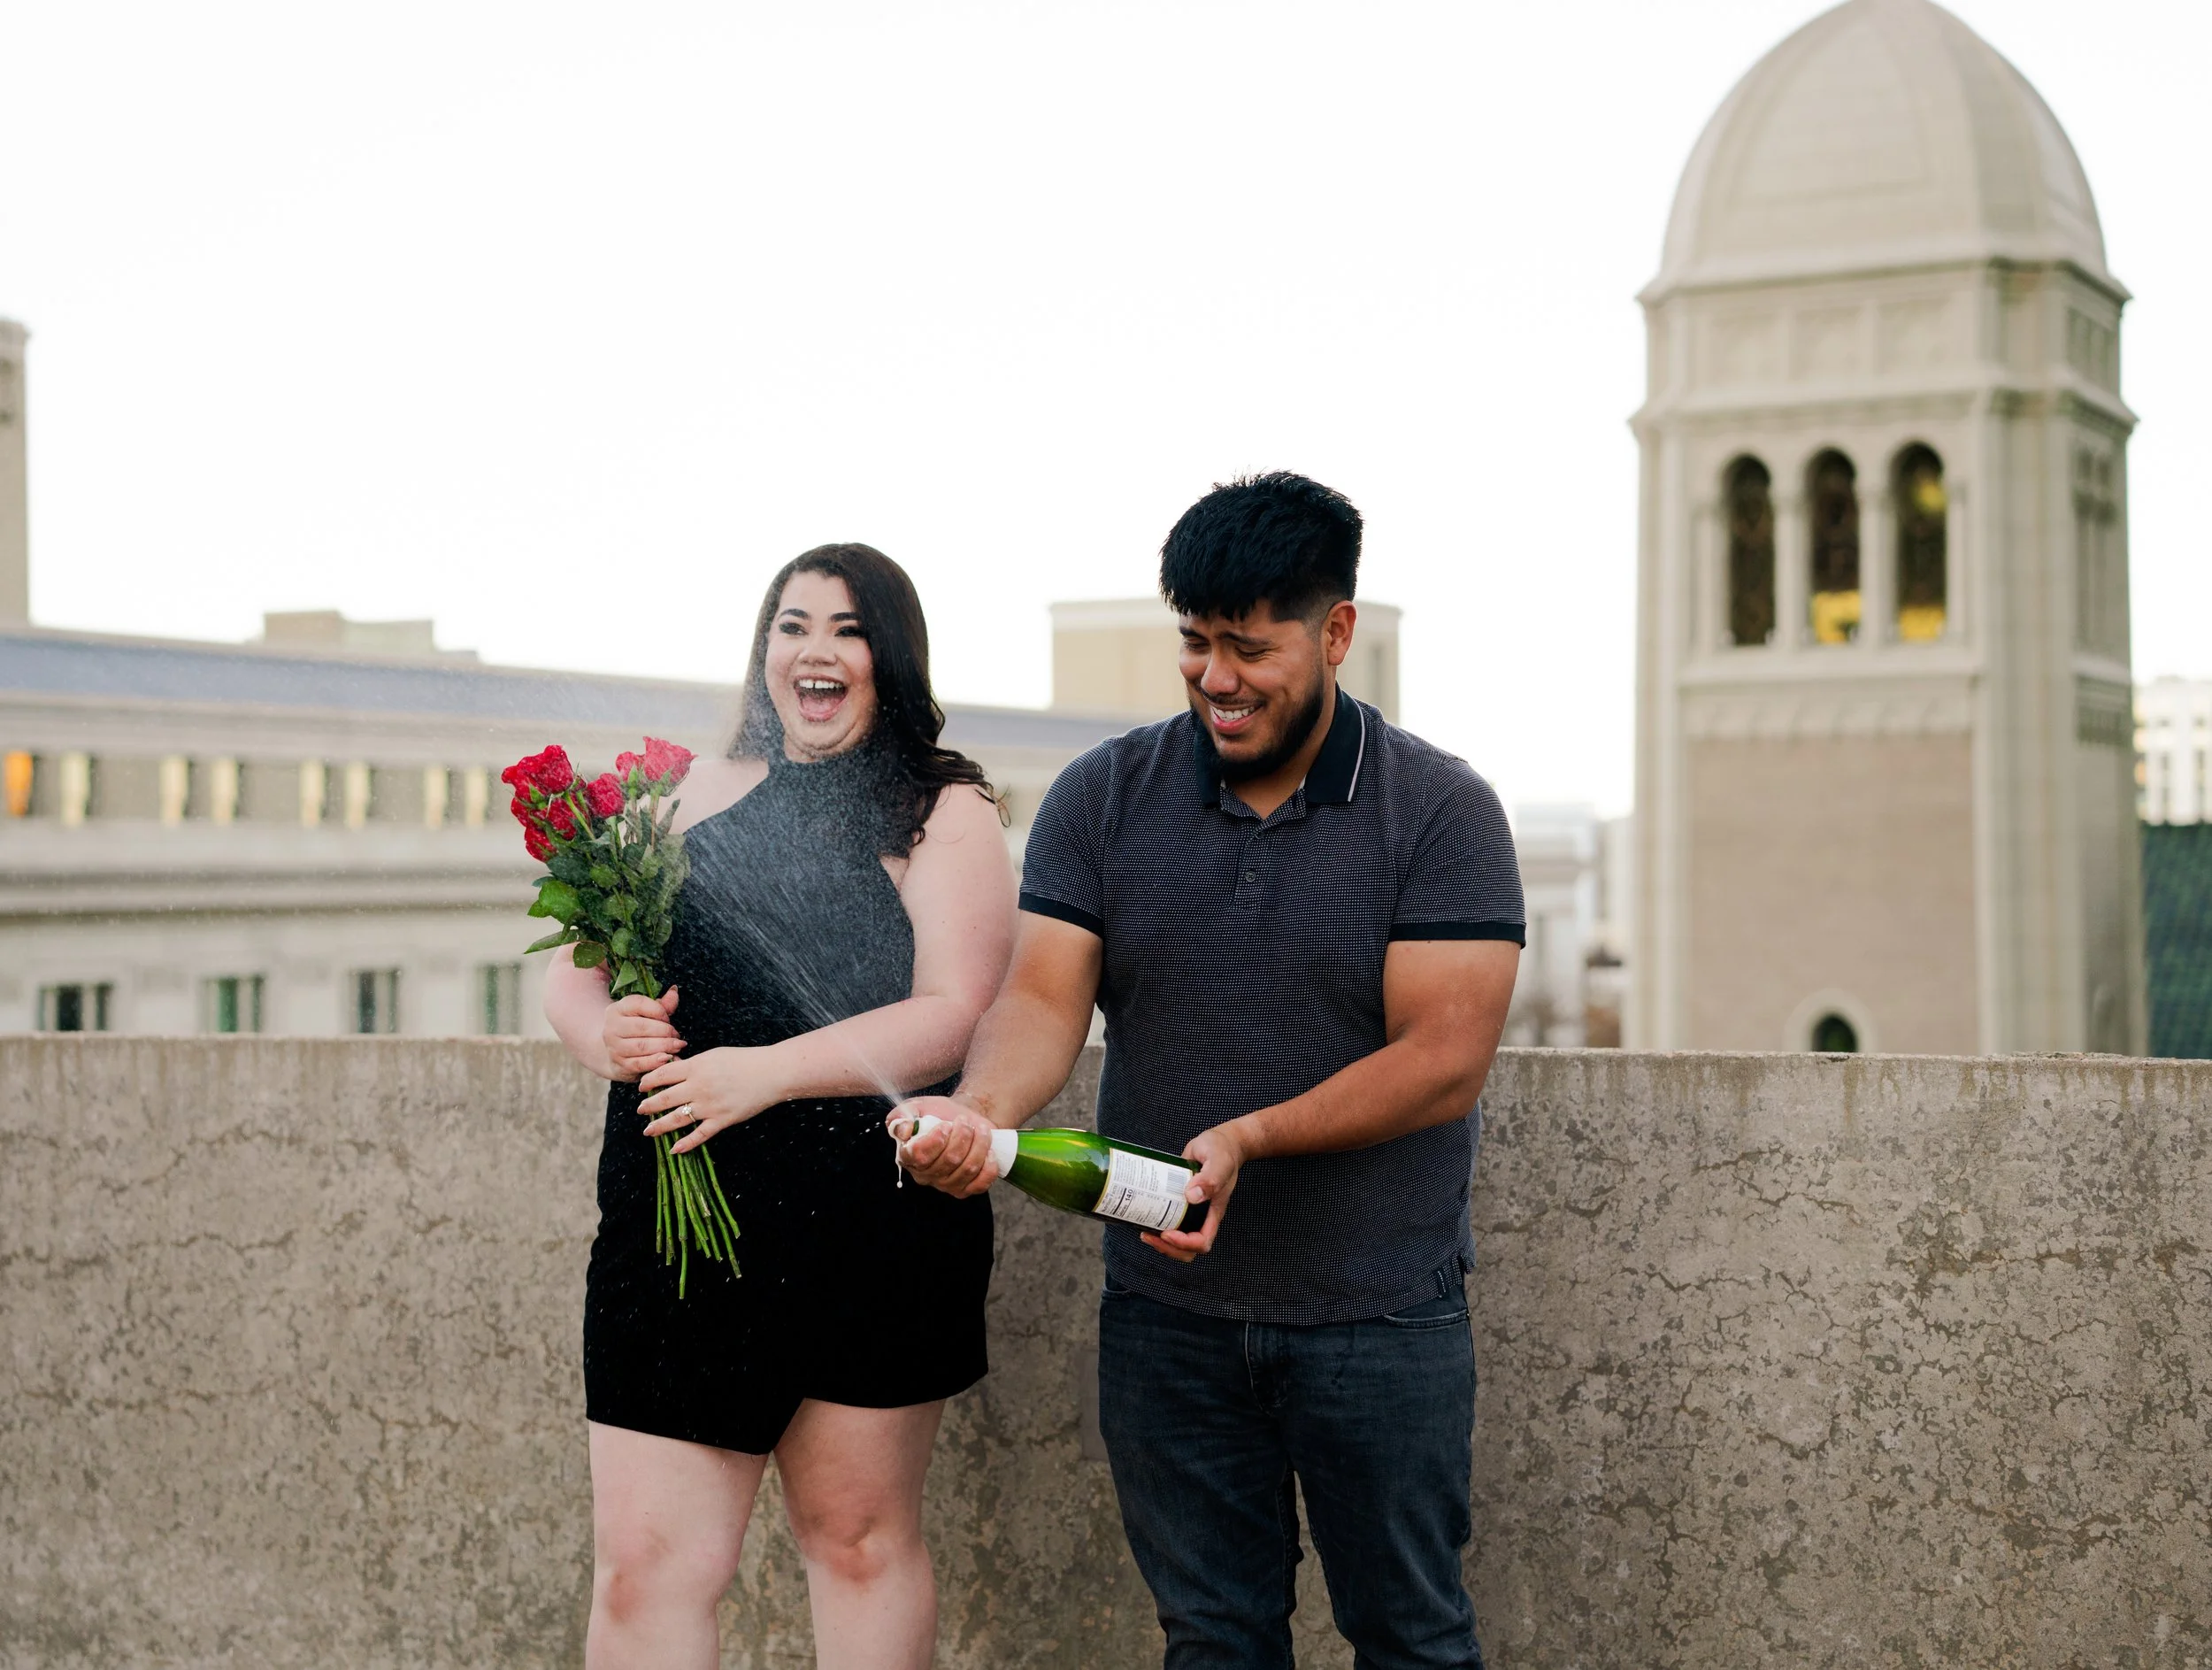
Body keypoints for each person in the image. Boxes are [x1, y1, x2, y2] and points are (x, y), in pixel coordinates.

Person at [895, 473, 1522, 1669]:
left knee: (1414, 1638)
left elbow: (1445, 1056)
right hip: (1167, 1323)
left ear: (1336, 632)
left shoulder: (1439, 809)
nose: (1216, 676)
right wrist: (980, 1113)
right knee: (1214, 1640)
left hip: (1379, 1316)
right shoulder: (1103, 795)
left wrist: (1251, 1136)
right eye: (1194, 641)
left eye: (1250, 645)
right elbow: (1039, 997)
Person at [544, 543, 1016, 1670]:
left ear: (887, 658)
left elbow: (949, 1013)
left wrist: (757, 1072)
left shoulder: (944, 812)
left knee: (855, 1542)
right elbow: (570, 978)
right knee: (645, 1570)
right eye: (793, 623)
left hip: (874, 1233)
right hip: (676, 1242)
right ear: (765, 650)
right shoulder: (677, 797)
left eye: (848, 630)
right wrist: (602, 1033)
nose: (816, 650)